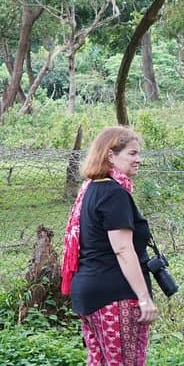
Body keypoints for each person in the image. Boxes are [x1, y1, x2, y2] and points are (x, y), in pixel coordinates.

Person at [61, 126, 158, 365]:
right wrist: (144, 298)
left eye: (139, 153)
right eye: (132, 153)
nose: (139, 160)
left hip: (89, 293)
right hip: (115, 296)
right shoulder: (113, 194)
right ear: (111, 156)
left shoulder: (90, 189)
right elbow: (123, 249)